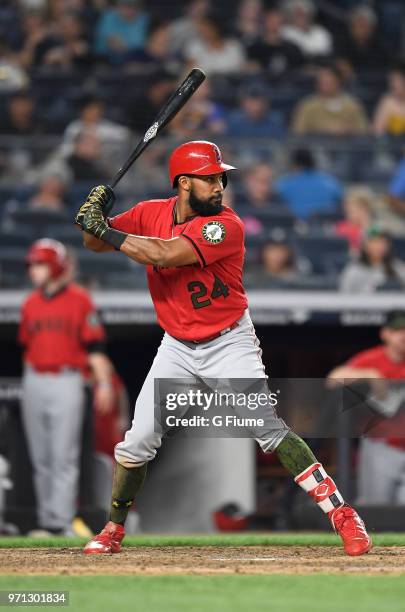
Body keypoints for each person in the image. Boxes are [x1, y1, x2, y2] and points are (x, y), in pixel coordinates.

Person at [75, 140, 371, 556]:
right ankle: (112, 529)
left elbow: (165, 253)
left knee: (268, 430)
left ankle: (343, 516)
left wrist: (103, 226)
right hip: (176, 345)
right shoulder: (148, 213)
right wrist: (93, 219)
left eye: (220, 177)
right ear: (182, 183)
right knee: (137, 440)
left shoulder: (225, 225)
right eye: (210, 177)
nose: (219, 185)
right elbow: (95, 245)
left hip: (228, 341)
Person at [19, 239, 115, 535]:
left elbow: (95, 346)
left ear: (56, 265)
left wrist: (104, 384)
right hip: (34, 378)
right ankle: (47, 520)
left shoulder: (80, 299)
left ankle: (60, 522)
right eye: (32, 264)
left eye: (40, 264)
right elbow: (26, 345)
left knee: (63, 456)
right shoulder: (30, 303)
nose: (34, 270)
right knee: (41, 457)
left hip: (68, 378)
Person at [327, 311, 405, 505]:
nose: (403, 335)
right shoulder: (373, 359)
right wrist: (369, 374)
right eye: (397, 330)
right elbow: (333, 379)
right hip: (381, 446)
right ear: (385, 334)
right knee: (375, 507)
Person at [291, 65, 368, 135]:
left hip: (348, 147)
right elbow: (298, 132)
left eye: (330, 82)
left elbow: (364, 130)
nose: (326, 85)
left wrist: (348, 129)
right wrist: (323, 129)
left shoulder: (352, 104)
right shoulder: (307, 105)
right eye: (323, 82)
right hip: (316, 146)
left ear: (338, 82)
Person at [275, 148, 342, 219]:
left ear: (295, 164)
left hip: (294, 227)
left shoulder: (285, 184)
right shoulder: (331, 183)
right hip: (324, 227)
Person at [339, 227, 405, 293]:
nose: (379, 246)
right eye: (374, 242)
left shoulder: (398, 268)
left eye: (383, 242)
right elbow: (344, 295)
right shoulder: (353, 270)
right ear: (364, 245)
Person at [246, 7, 304, 78]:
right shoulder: (255, 47)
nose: (274, 24)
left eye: (277, 21)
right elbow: (250, 68)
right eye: (271, 21)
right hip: (262, 84)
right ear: (264, 22)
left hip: (288, 85)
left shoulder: (292, 48)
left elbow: (301, 69)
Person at [335, 5, 389, 78]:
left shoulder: (381, 46)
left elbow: (384, 70)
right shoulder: (342, 42)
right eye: (355, 25)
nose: (358, 29)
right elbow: (338, 63)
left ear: (371, 28)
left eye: (362, 25)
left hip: (374, 83)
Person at [94, 0, 149, 64]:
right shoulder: (109, 16)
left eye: (134, 6)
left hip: (140, 60)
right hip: (107, 60)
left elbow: (147, 46)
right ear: (118, 6)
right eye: (126, 5)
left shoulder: (144, 18)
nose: (130, 9)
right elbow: (114, 43)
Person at [334, 186, 373, 254]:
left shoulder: (376, 228)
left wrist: (366, 226)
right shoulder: (340, 228)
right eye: (349, 211)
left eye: (359, 209)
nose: (351, 214)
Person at [373, 66, 405, 137]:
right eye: (392, 81)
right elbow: (377, 129)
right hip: (391, 143)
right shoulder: (387, 101)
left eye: (397, 81)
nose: (393, 84)